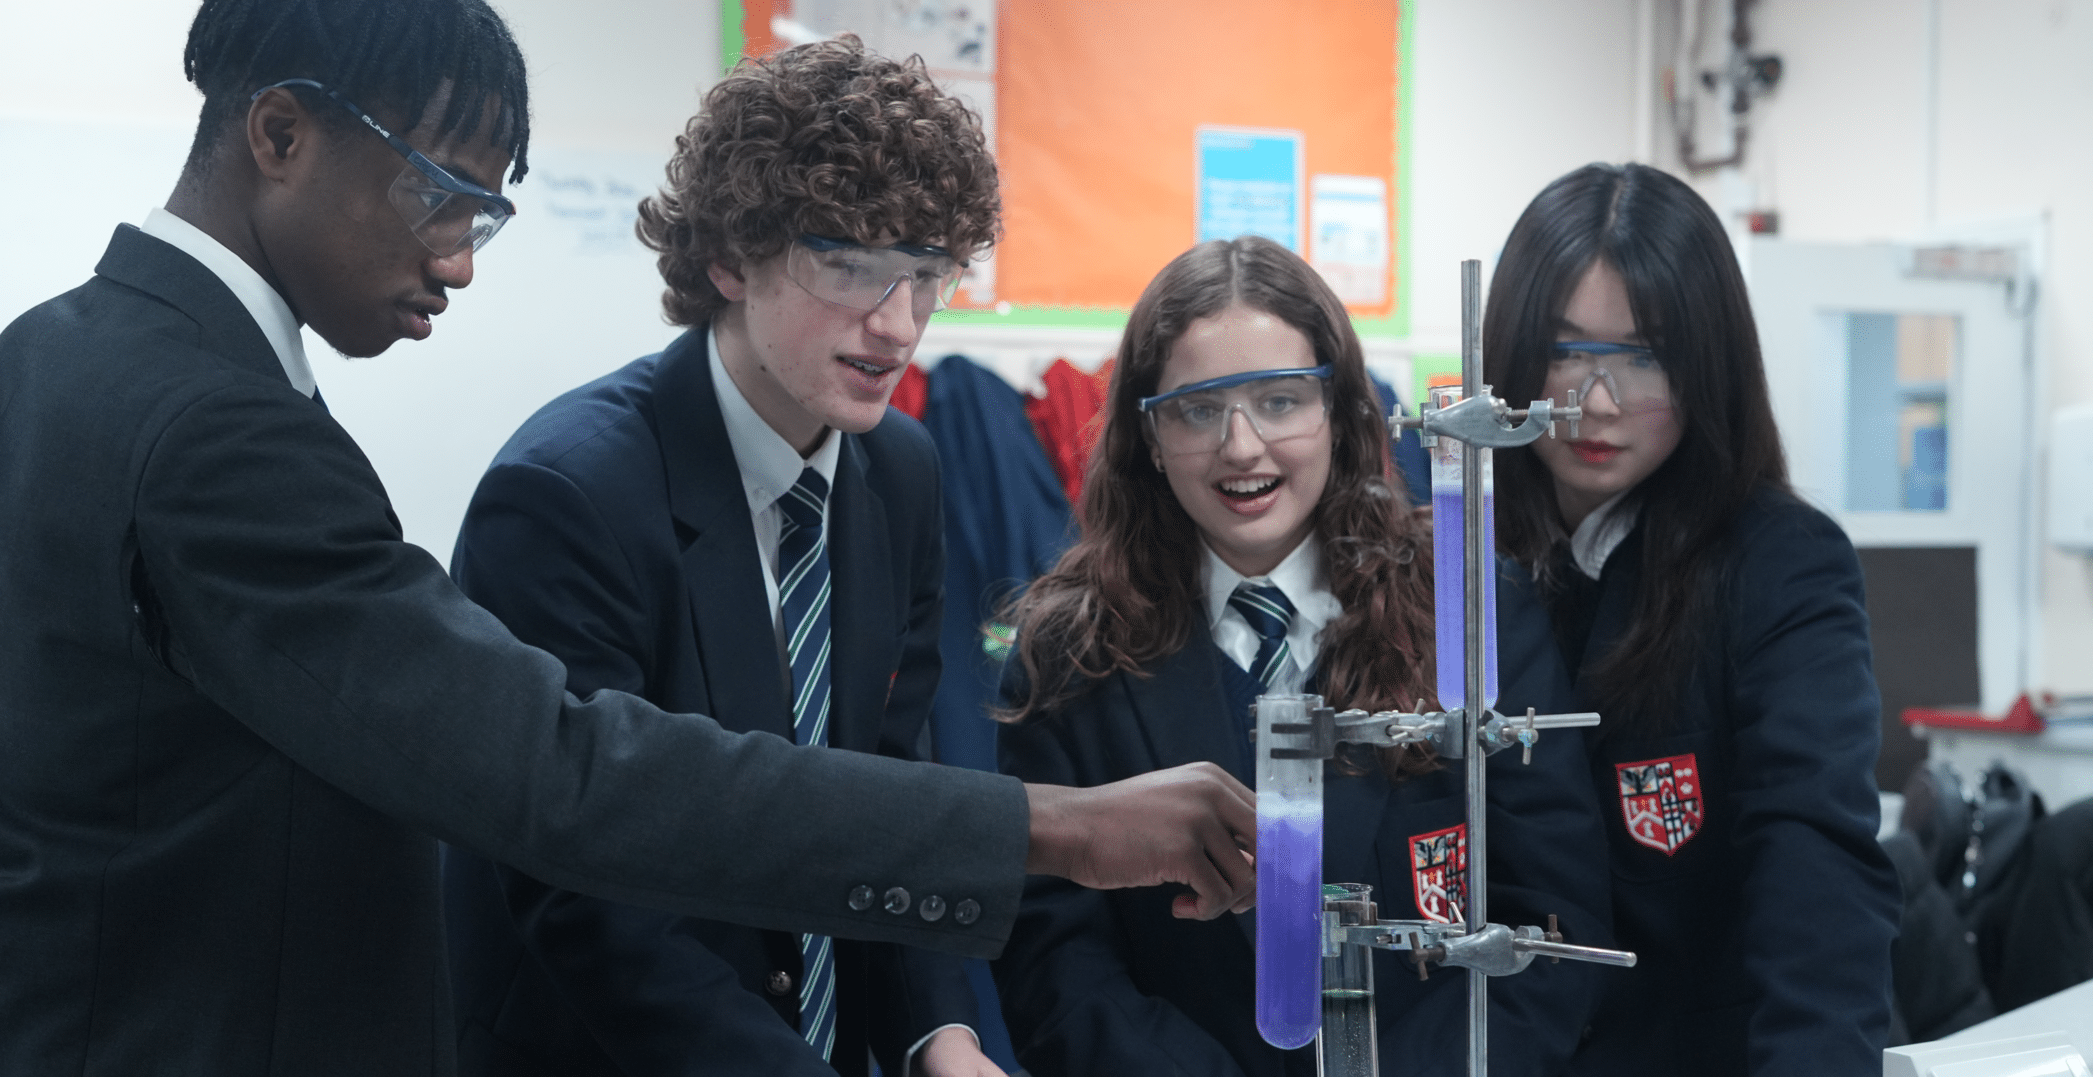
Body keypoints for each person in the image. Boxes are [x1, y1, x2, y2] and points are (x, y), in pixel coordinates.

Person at [0, 2, 1256, 1073]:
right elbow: (564, 778)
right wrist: (1052, 826)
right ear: (280, 134)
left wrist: (933, 1028)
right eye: (442, 197)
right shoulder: (244, 431)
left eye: (928, 274)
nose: (462, 262)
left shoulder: (59, 358)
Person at [444, 38, 1006, 1077]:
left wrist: (941, 1032)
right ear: (730, 256)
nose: (898, 324)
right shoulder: (568, 496)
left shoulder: (905, 473)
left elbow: (887, 788)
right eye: (847, 263)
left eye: (928, 274)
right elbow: (585, 894)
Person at [990, 236, 1613, 1076]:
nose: (1242, 447)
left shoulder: (1469, 606)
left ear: (1343, 411)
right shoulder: (1068, 650)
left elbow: (1553, 920)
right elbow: (1055, 964)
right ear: (1148, 434)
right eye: (1200, 410)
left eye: (1280, 401)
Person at [1480, 162, 1902, 1076]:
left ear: (1708, 363)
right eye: (1564, 350)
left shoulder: (1780, 564)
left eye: (1645, 353)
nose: (1597, 401)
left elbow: (1814, 859)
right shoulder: (1451, 561)